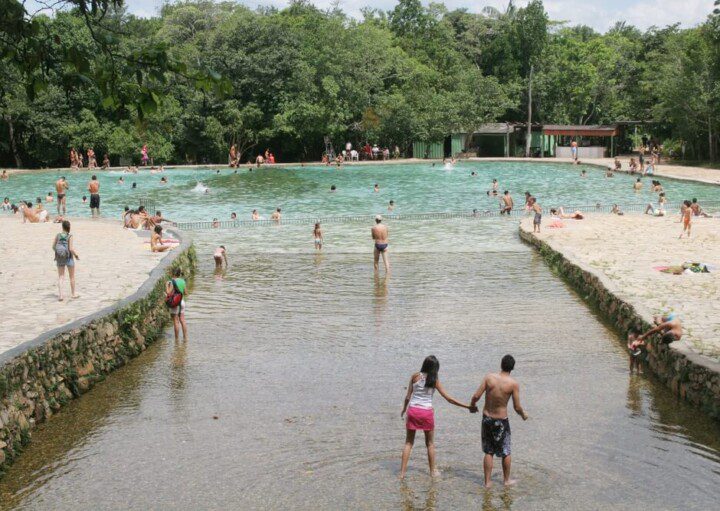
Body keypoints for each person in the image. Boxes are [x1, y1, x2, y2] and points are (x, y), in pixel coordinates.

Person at [400, 355, 475, 479]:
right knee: (429, 444)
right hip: (426, 413)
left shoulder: (414, 377)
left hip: (413, 411)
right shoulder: (434, 380)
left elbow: (408, 397)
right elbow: (449, 399)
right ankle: (432, 472)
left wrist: (404, 409)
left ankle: (402, 474)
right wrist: (467, 407)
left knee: (408, 443)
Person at [470, 355, 528, 487]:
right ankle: (506, 480)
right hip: (501, 421)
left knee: (488, 451)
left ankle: (487, 482)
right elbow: (517, 407)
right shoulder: (513, 384)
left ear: (501, 364)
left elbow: (476, 396)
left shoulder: (489, 378)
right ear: (512, 368)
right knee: (506, 451)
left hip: (487, 418)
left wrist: (472, 405)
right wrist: (523, 414)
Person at [53, 220, 79, 301]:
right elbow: (71, 249)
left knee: (61, 277)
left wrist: (58, 253)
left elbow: (53, 246)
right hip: (69, 258)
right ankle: (73, 294)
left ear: (62, 227)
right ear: (69, 227)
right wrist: (76, 255)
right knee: (72, 276)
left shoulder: (58, 235)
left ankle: (61, 295)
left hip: (60, 258)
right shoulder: (70, 236)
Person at [166, 268, 188, 342]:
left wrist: (166, 285)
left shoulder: (172, 282)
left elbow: (168, 293)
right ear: (179, 274)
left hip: (175, 303)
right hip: (182, 302)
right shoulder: (183, 281)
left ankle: (176, 340)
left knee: (176, 321)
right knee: (182, 320)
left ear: (173, 273)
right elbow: (186, 293)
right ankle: (185, 338)